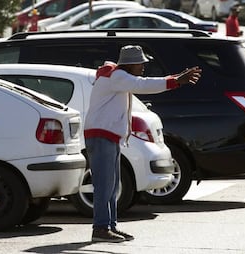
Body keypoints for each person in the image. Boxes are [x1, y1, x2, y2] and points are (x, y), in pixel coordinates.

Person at [84, 45, 202, 243]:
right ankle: (101, 228)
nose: (143, 66)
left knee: (111, 186)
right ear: (130, 65)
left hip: (107, 136)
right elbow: (144, 84)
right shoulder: (117, 77)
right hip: (101, 136)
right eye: (141, 63)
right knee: (105, 186)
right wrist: (176, 81)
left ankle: (109, 226)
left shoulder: (119, 78)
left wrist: (176, 79)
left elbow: (142, 82)